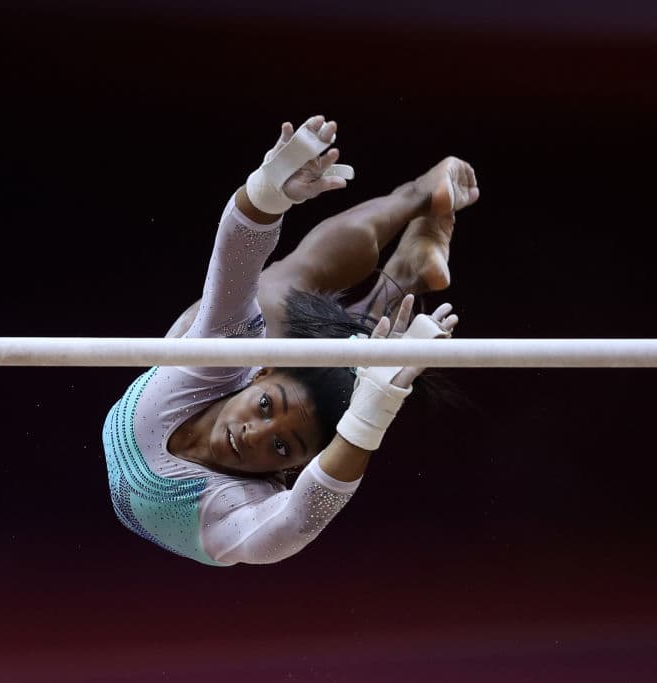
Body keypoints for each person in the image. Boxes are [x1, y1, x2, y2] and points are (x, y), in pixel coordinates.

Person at [102, 115, 479, 565]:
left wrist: (376, 406)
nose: (254, 434)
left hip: (236, 398)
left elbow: (300, 518)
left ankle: (408, 261)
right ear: (261, 373)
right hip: (226, 373)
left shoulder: (234, 510)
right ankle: (418, 200)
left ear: (295, 466)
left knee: (343, 366)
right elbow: (233, 269)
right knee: (276, 291)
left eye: (281, 447)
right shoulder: (209, 362)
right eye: (265, 405)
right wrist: (266, 193)